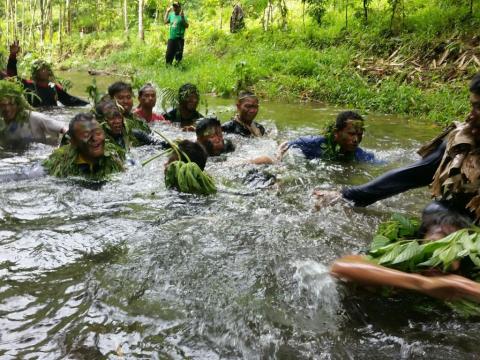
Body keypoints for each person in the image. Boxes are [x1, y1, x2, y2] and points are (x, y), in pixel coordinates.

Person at [316, 73, 480, 216]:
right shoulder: (461, 144)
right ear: (335, 133)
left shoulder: (364, 156)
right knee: (436, 211)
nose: (470, 116)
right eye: (472, 106)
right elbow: (410, 175)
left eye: (478, 107)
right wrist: (346, 195)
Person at [330, 203, 480, 303]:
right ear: (418, 245)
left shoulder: (468, 280)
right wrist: (423, 283)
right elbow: (341, 267)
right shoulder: (398, 262)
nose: (437, 256)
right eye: (433, 245)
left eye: (451, 248)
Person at [43, 113, 124, 180]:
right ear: (73, 142)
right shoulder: (60, 169)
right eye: (86, 135)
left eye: (98, 133)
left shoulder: (114, 159)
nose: (95, 138)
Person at [279, 111, 374, 162]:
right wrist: (278, 159)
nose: (356, 140)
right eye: (351, 134)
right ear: (336, 133)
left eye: (360, 134)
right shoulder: (311, 143)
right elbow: (284, 145)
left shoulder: (361, 155)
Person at [9, 49, 88, 107]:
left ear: (49, 72)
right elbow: (12, 77)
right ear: (35, 73)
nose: (42, 71)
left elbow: (70, 100)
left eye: (44, 68)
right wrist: (12, 56)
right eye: (40, 69)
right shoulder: (28, 85)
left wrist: (89, 105)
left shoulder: (53, 86)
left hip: (52, 117)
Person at [0, 80, 67, 146]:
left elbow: (63, 128)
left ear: (18, 105)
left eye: (11, 104)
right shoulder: (1, 125)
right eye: (2, 105)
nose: (7, 109)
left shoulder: (33, 117)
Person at [96, 100, 163, 151]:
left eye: (119, 117)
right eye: (111, 118)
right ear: (101, 121)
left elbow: (156, 144)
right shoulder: (98, 144)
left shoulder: (136, 135)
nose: (117, 121)